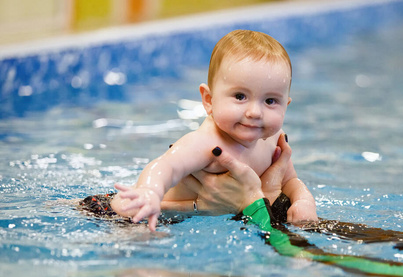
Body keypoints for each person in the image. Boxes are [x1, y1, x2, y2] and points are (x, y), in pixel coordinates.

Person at [107, 29, 317, 231]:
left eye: (270, 101)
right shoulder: (206, 142)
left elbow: (290, 181)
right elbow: (167, 165)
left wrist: (304, 200)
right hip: (149, 218)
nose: (254, 112)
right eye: (240, 96)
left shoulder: (272, 142)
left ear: (285, 106)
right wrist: (149, 191)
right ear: (209, 100)